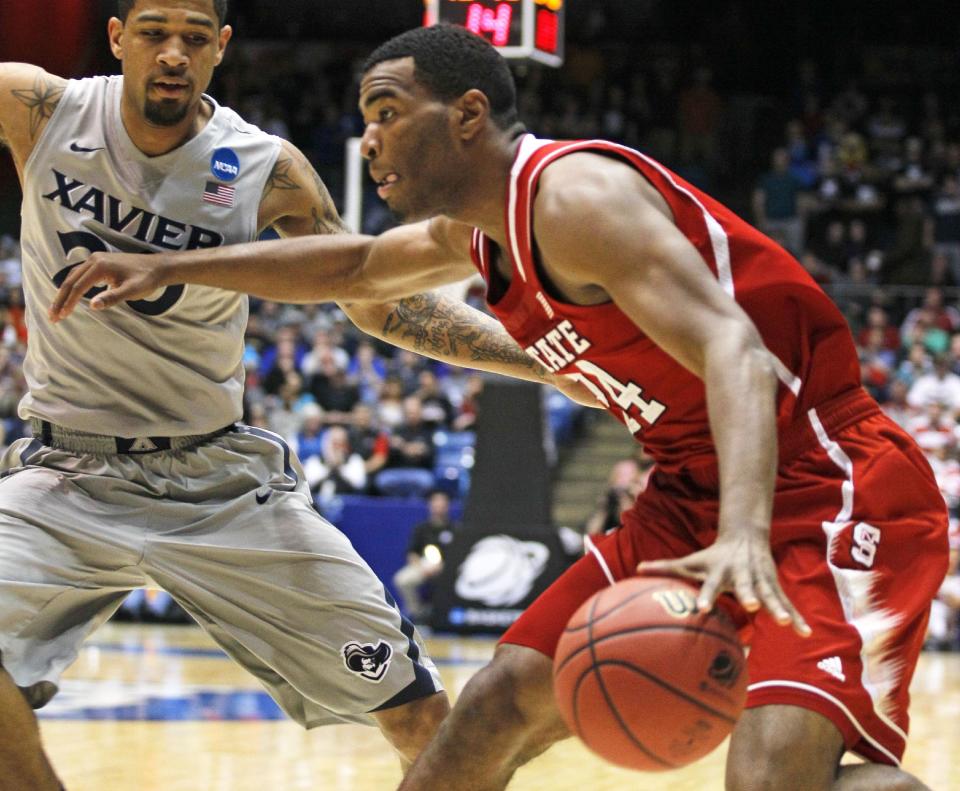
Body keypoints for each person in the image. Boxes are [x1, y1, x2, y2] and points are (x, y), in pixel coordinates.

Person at [49, 24, 949, 791]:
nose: (369, 141)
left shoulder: (576, 197)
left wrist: (747, 529)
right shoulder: (478, 232)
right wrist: (166, 265)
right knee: (492, 704)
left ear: (468, 115)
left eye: (388, 113)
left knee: (769, 774)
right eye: (366, 119)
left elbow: (737, 354)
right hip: (689, 490)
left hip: (824, 483)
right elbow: (353, 270)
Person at [0, 8, 587, 789]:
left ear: (221, 48)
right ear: (115, 37)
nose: (173, 54)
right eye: (153, 33)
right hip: (63, 473)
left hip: (214, 482)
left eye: (195, 36)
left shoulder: (260, 166)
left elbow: (377, 301)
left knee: (419, 717)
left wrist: (545, 358)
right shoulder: (37, 106)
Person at [393, 489, 458, 620]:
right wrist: (422, 568)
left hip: (447, 567)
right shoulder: (421, 528)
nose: (438, 505)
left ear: (447, 506)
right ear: (430, 504)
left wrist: (442, 567)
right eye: (436, 502)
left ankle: (446, 617)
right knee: (402, 580)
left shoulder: (455, 529)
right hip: (423, 565)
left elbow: (458, 554)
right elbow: (412, 553)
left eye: (442, 503)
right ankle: (418, 614)